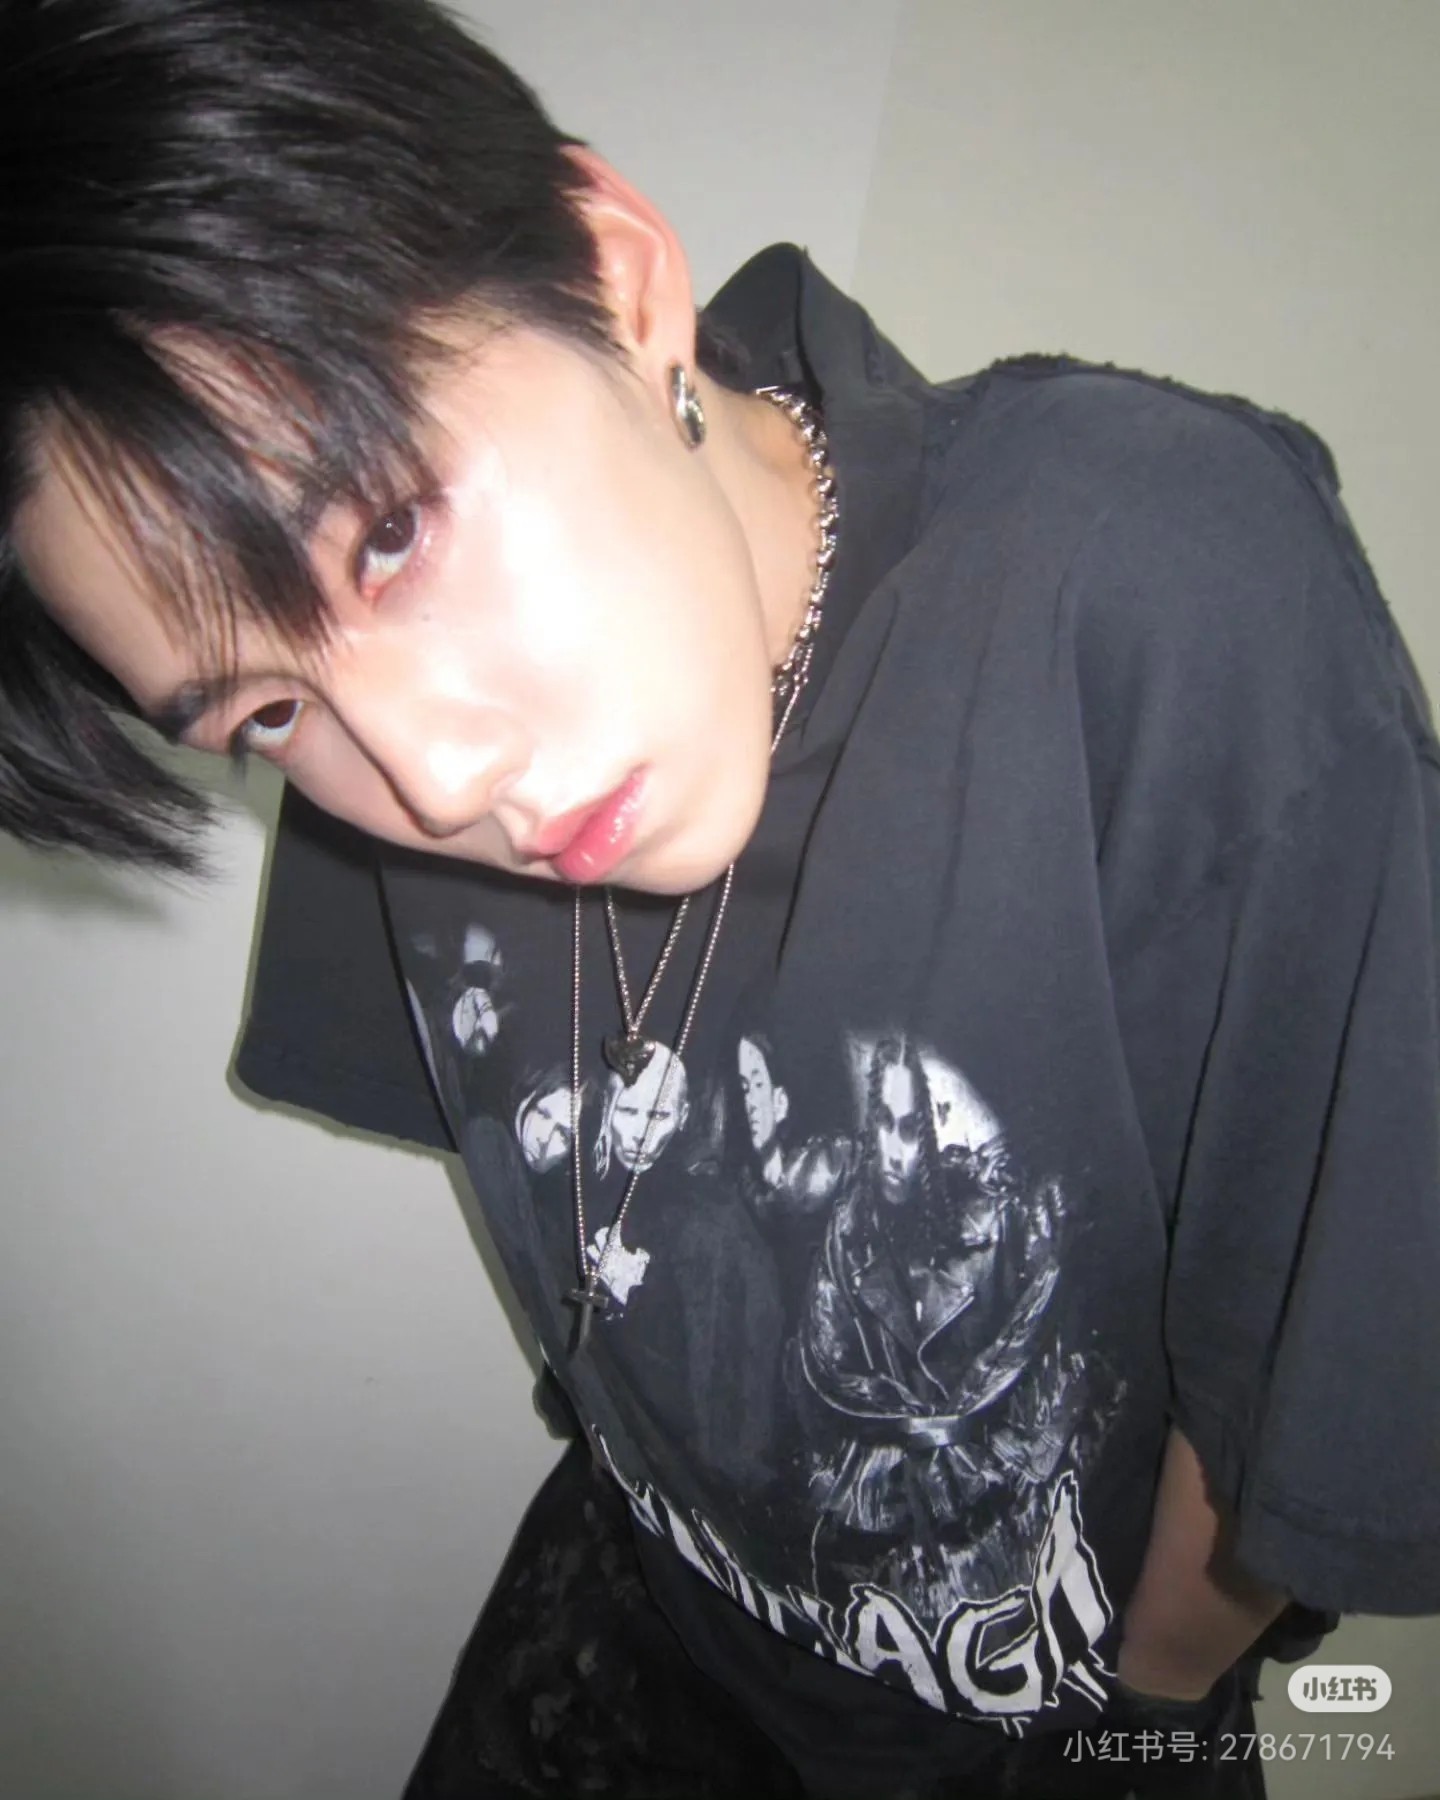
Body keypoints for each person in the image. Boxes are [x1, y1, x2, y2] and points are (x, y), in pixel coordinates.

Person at [3, 2, 1437, 1796]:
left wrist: (1137, 1705)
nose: (432, 781)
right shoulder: (388, 772)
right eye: (266, 713)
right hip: (618, 1633)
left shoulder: (1152, 586)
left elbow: (1303, 1318)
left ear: (615, 283)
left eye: (392, 534)